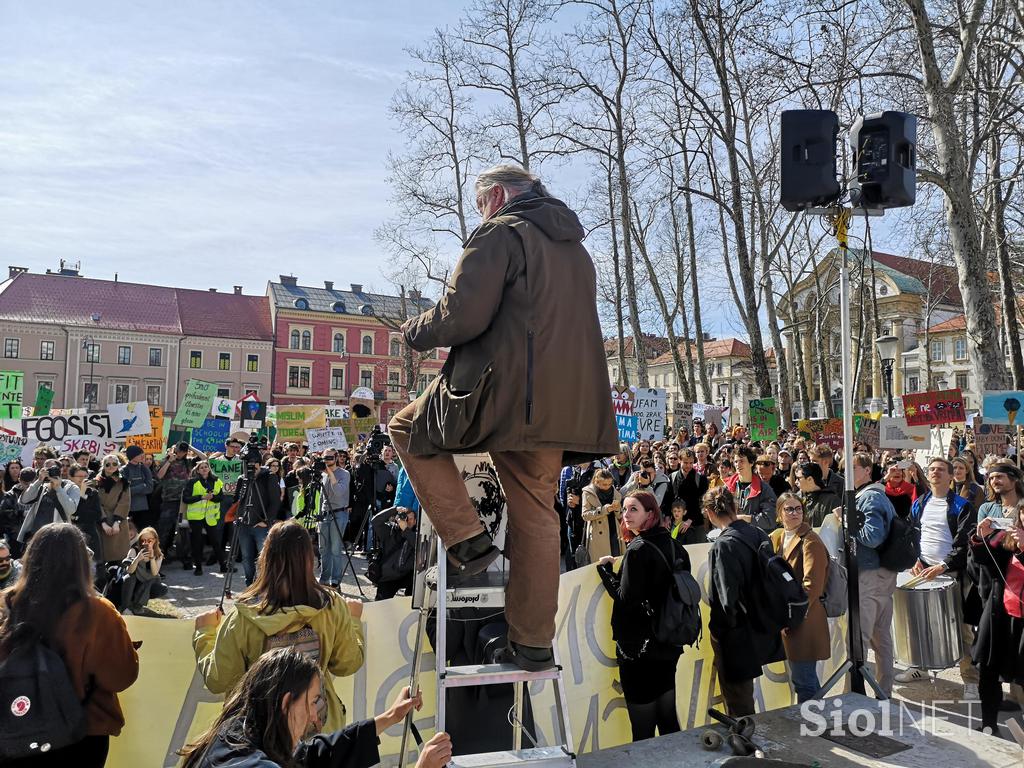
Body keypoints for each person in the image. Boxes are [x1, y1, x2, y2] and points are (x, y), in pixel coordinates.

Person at [388, 165, 617, 672]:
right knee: (538, 511)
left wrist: (412, 331)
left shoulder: (499, 232)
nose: (479, 212)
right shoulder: (574, 248)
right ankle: (533, 641)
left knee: (406, 428)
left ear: (494, 195)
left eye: (478, 203)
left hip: (503, 394)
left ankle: (468, 541)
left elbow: (461, 314)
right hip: (564, 406)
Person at [193, 521, 365, 732]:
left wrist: (204, 633)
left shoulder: (243, 617)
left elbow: (219, 680)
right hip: (319, 732)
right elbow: (347, 664)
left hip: (260, 738)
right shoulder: (333, 606)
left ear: (265, 558)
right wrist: (354, 621)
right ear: (310, 560)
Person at [0, 523, 139, 767]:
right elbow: (120, 678)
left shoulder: (8, 604)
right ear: (81, 563)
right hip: (82, 733)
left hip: (18, 729)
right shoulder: (99, 613)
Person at [181, 647, 452, 768]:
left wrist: (390, 717)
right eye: (312, 702)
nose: (314, 718)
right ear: (286, 701)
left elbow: (315, 754)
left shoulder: (240, 730)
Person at [597, 490, 688, 741]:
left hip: (639, 649)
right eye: (624, 509)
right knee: (668, 719)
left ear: (651, 513)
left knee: (643, 729)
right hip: (669, 641)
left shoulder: (638, 550)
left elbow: (626, 599)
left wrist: (605, 570)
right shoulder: (675, 545)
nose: (626, 515)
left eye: (633, 509)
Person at [895, 457, 976, 692]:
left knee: (962, 629)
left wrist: (943, 565)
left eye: (941, 470)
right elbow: (912, 534)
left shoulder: (962, 506)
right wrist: (915, 559)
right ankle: (919, 666)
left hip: (951, 573)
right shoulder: (920, 502)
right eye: (931, 469)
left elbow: (964, 543)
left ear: (951, 476)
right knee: (920, 623)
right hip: (923, 570)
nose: (935, 473)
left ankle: (970, 679)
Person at [705, 486, 783, 716]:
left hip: (736, 630)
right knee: (743, 694)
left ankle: (744, 743)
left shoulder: (723, 544)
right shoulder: (757, 533)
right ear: (735, 507)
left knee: (739, 699)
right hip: (760, 621)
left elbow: (727, 599)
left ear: (709, 513)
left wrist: (719, 632)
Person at [835, 452, 897, 696]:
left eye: (851, 468)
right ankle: (884, 691)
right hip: (880, 572)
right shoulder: (873, 495)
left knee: (860, 638)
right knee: (881, 637)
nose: (846, 473)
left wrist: (846, 520)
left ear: (867, 470)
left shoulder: (870, 498)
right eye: (844, 469)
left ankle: (855, 694)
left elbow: (872, 536)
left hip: (871, 574)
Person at [769, 494, 830, 703]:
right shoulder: (776, 536)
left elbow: (812, 587)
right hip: (786, 618)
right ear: (779, 514)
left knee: (805, 681)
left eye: (798, 509)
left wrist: (790, 616)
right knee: (801, 679)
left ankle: (814, 727)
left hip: (804, 618)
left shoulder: (810, 540)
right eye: (789, 509)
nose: (795, 513)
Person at [969, 514, 1024, 735]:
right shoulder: (1007, 537)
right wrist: (979, 538)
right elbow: (984, 563)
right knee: (988, 671)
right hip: (999, 614)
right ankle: (989, 725)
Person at [235, 457, 284, 587]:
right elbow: (238, 501)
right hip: (244, 524)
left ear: (259, 464)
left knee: (263, 557)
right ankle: (249, 584)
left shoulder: (269, 476)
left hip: (261, 525)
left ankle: (264, 585)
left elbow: (275, 502)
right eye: (248, 463)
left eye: (254, 463)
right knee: (246, 557)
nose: (251, 465)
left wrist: (266, 521)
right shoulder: (242, 478)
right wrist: (239, 517)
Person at [156, 442, 206, 564]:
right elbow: (159, 475)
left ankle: (185, 558)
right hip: (169, 500)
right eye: (179, 450)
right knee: (164, 530)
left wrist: (190, 447)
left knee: (184, 530)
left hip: (184, 502)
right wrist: (169, 460)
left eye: (183, 451)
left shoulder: (188, 461)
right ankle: (160, 556)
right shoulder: (165, 461)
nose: (181, 453)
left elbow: (204, 458)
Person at [17, 459, 80, 545]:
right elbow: (23, 500)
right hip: (36, 535)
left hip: (58, 536)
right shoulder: (41, 486)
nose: (49, 471)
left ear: (60, 470)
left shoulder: (71, 487)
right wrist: (38, 481)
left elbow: (71, 510)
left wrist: (58, 488)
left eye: (52, 468)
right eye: (46, 469)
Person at [184, 460, 225, 576]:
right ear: (197, 470)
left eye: (206, 467)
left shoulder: (217, 481)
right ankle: (198, 567)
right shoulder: (192, 482)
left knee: (215, 541)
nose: (204, 469)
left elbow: (221, 497)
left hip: (210, 516)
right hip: (196, 517)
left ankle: (223, 565)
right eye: (201, 467)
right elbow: (186, 499)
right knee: (197, 542)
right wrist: (201, 497)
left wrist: (212, 497)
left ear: (209, 469)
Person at [318, 450, 351, 589]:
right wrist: (318, 515)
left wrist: (330, 473)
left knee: (335, 548)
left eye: (330, 458)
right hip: (325, 514)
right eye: (325, 458)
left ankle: (335, 579)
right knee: (323, 548)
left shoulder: (344, 474)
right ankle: (324, 578)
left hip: (339, 514)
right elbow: (321, 496)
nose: (327, 460)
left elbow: (338, 492)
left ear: (336, 458)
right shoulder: (323, 475)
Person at [724, 446, 777, 532]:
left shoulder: (764, 489)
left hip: (756, 538)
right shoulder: (727, 487)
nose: (738, 464)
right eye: (736, 461)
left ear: (751, 463)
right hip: (733, 535)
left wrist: (745, 518)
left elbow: (770, 520)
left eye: (742, 461)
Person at [369, 506, 417, 600]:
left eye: (411, 519)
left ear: (415, 521)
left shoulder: (416, 535)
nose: (407, 521)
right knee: (380, 605)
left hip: (407, 576)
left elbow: (418, 545)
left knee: (413, 602)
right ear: (398, 519)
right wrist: (394, 510)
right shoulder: (390, 531)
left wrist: (406, 530)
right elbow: (375, 521)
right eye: (405, 518)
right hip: (389, 576)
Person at [96, 455, 132, 571]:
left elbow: (125, 502)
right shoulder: (95, 482)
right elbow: (95, 503)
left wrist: (117, 522)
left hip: (118, 521)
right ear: (103, 466)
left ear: (118, 466)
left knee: (119, 556)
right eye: (108, 464)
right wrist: (103, 522)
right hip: (101, 520)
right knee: (101, 556)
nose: (111, 467)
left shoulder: (124, 482)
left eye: (114, 464)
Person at [581, 469, 625, 563]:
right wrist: (603, 510)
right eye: (604, 484)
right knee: (601, 565)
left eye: (610, 484)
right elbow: (585, 515)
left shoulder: (615, 492)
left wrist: (617, 508)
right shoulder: (588, 492)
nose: (608, 487)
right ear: (596, 482)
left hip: (614, 531)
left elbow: (619, 515)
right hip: (598, 534)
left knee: (617, 562)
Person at [120, 526, 163, 615]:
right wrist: (137, 559)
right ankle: (126, 606)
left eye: (149, 541)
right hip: (132, 583)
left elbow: (155, 573)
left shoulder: (158, 554)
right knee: (130, 577)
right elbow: (129, 571)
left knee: (161, 587)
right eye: (143, 540)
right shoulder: (134, 550)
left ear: (155, 540)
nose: (145, 543)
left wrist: (152, 558)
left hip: (146, 583)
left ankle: (137, 605)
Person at [669, 449, 709, 544]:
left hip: (696, 523)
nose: (688, 465)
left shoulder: (701, 478)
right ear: (679, 460)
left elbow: (702, 501)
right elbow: (669, 499)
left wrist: (690, 520)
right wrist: (667, 518)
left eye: (691, 463)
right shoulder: (672, 477)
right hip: (677, 522)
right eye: (685, 462)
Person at [794, 462, 841, 528]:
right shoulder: (799, 499)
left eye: (798, 478)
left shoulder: (832, 501)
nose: (796, 482)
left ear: (810, 479)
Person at [0, 466, 34, 557]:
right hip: (16, 538)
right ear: (19, 480)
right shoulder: (10, 495)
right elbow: (6, 514)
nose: (28, 486)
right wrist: (23, 513)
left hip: (35, 536)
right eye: (25, 483)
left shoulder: (42, 493)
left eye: (31, 482)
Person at [121, 445, 154, 531]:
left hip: (143, 509)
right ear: (133, 456)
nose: (143, 456)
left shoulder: (145, 469)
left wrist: (133, 488)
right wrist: (142, 486)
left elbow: (150, 488)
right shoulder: (124, 470)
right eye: (140, 454)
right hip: (128, 509)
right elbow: (125, 490)